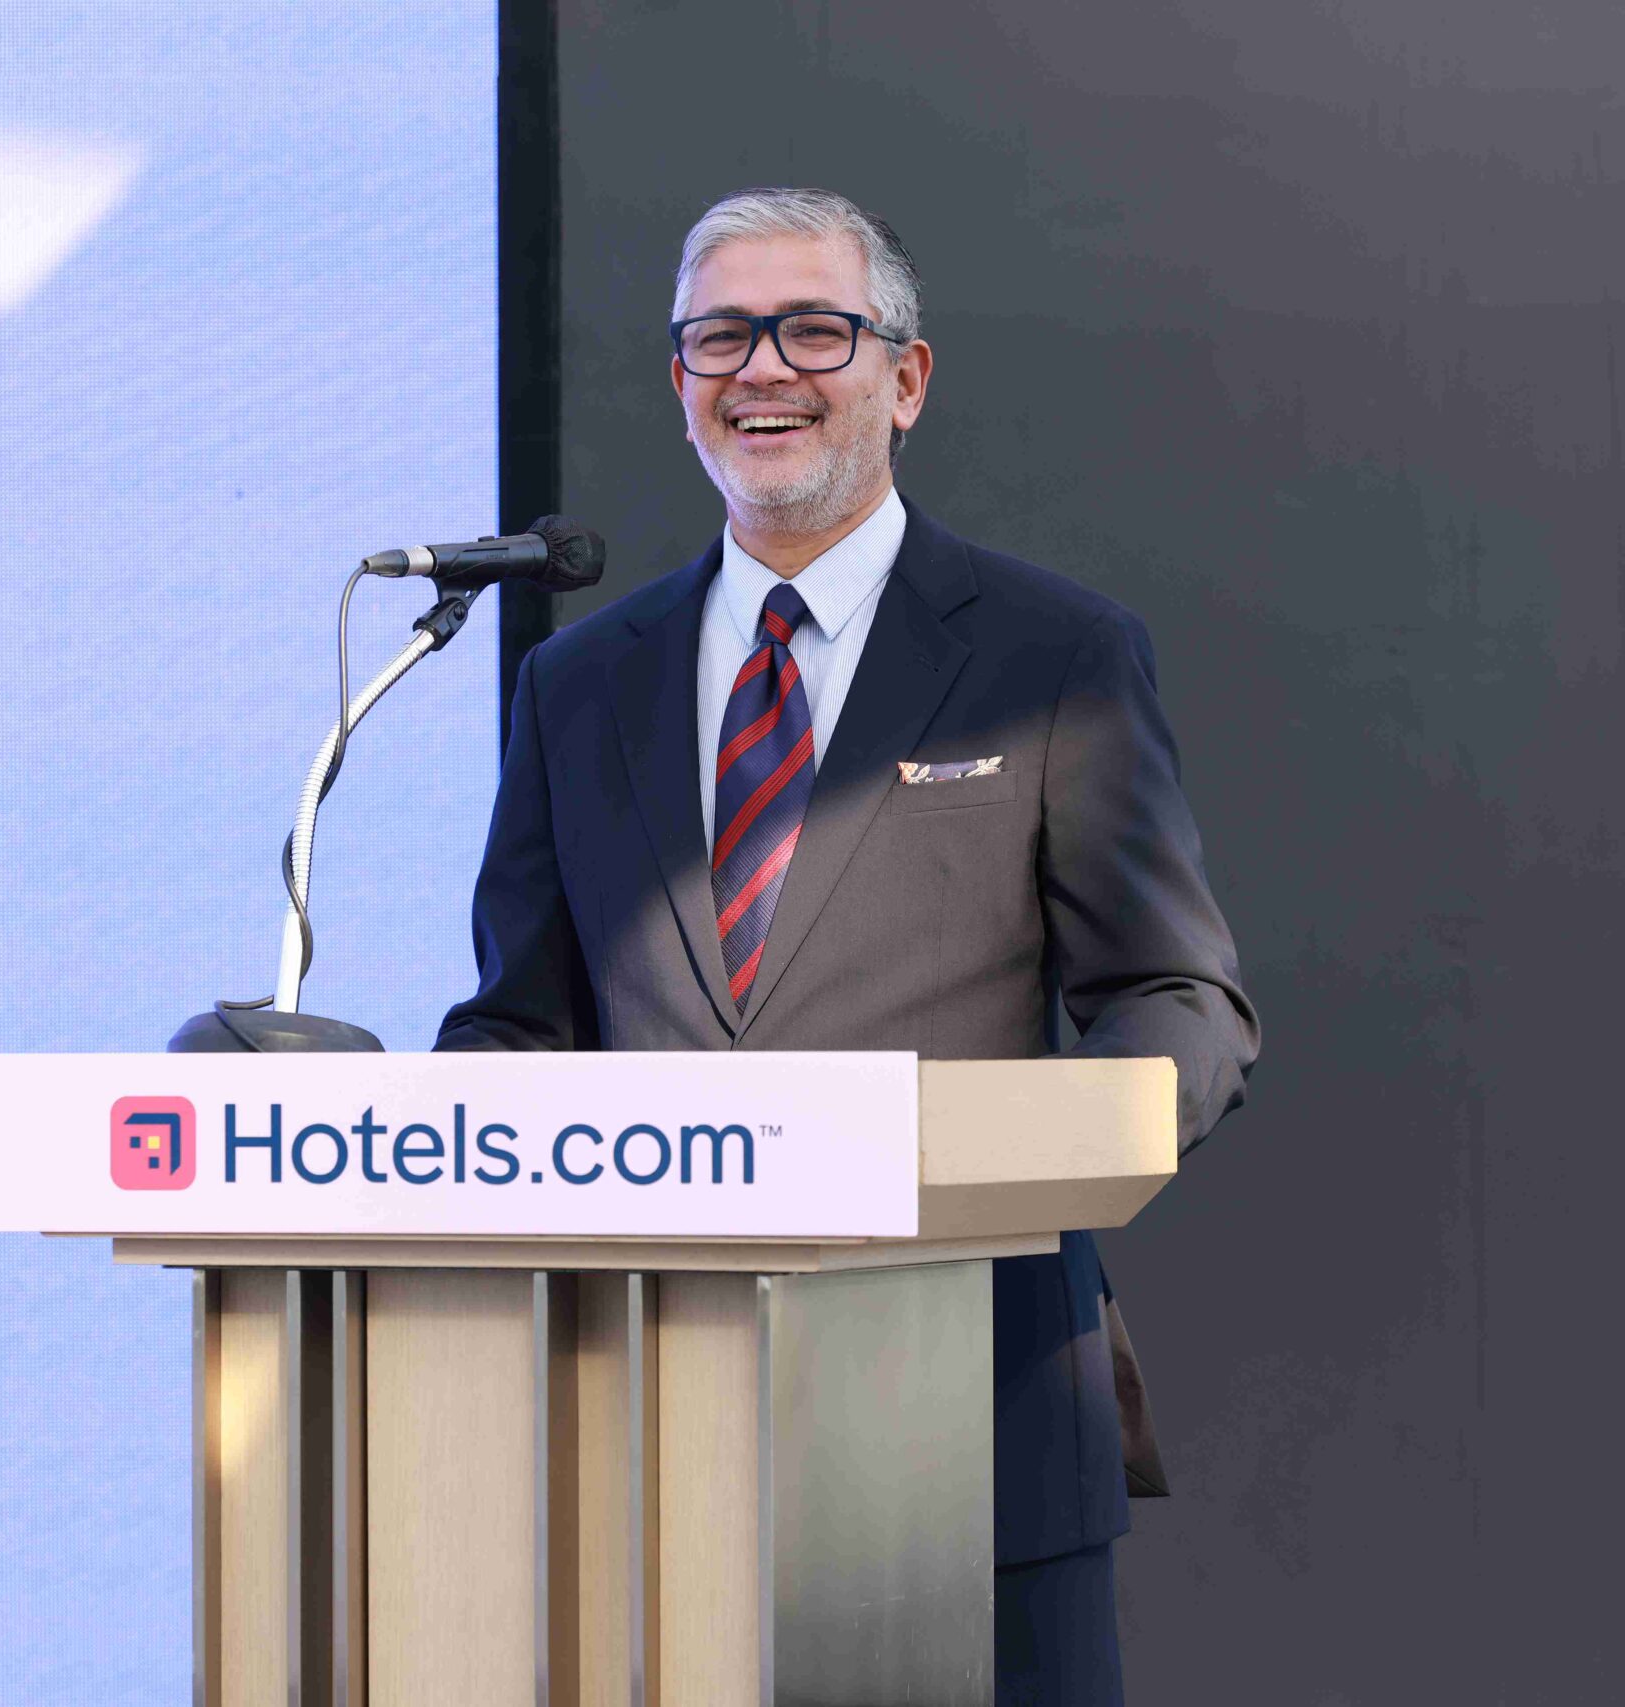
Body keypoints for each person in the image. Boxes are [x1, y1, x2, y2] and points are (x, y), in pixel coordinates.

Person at [438, 186, 1260, 1703]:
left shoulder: (1052, 654)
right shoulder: (579, 681)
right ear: (680, 382)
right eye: (720, 337)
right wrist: (430, 1130)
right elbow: (522, 1019)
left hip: (975, 1416)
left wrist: (1069, 1136)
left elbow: (1177, 992)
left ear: (907, 377)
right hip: (644, 1427)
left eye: (815, 329)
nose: (764, 368)